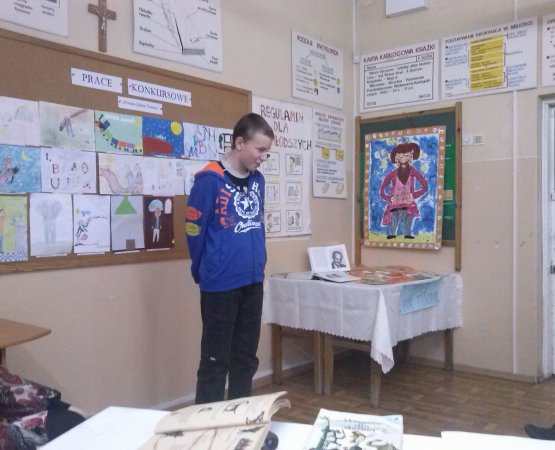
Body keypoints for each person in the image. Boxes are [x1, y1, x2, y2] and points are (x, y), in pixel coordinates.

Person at [186, 113, 274, 404]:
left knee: (245, 360)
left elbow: (257, 225)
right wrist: (205, 271)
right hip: (219, 285)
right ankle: (206, 424)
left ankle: (240, 418)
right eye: (260, 149)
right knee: (215, 361)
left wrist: (258, 264)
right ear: (239, 143)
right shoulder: (209, 180)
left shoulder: (258, 181)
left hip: (252, 282)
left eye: (267, 151)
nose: (263, 157)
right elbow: (194, 232)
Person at [379, 142, 428, 239]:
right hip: (395, 203)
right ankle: (392, 234)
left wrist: (413, 195)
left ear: (411, 157)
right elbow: (382, 190)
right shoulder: (392, 174)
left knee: (408, 220)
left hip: (408, 203)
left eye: (406, 156)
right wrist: (389, 198)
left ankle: (407, 234)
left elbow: (425, 186)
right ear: (396, 157)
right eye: (401, 156)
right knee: (393, 220)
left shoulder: (413, 172)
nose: (403, 158)